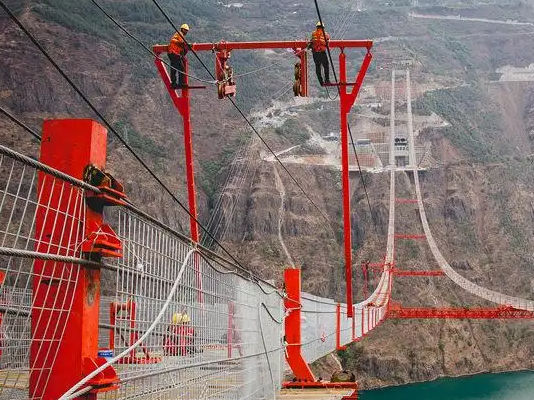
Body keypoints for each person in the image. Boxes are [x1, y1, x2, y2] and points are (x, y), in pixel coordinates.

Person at [168, 24, 190, 89]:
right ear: (182, 29)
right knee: (180, 68)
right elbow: (180, 42)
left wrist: (183, 54)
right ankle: (179, 83)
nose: (186, 32)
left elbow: (181, 47)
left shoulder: (178, 35)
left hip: (172, 54)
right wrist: (186, 45)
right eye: (186, 30)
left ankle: (174, 83)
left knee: (175, 68)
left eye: (187, 31)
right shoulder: (179, 34)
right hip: (174, 54)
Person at [310, 21, 331, 86]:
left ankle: (321, 82)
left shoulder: (313, 33)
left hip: (315, 53)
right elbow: (327, 43)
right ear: (323, 27)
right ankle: (327, 80)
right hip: (322, 52)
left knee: (318, 66)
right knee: (326, 66)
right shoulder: (325, 34)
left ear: (317, 27)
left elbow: (312, 41)